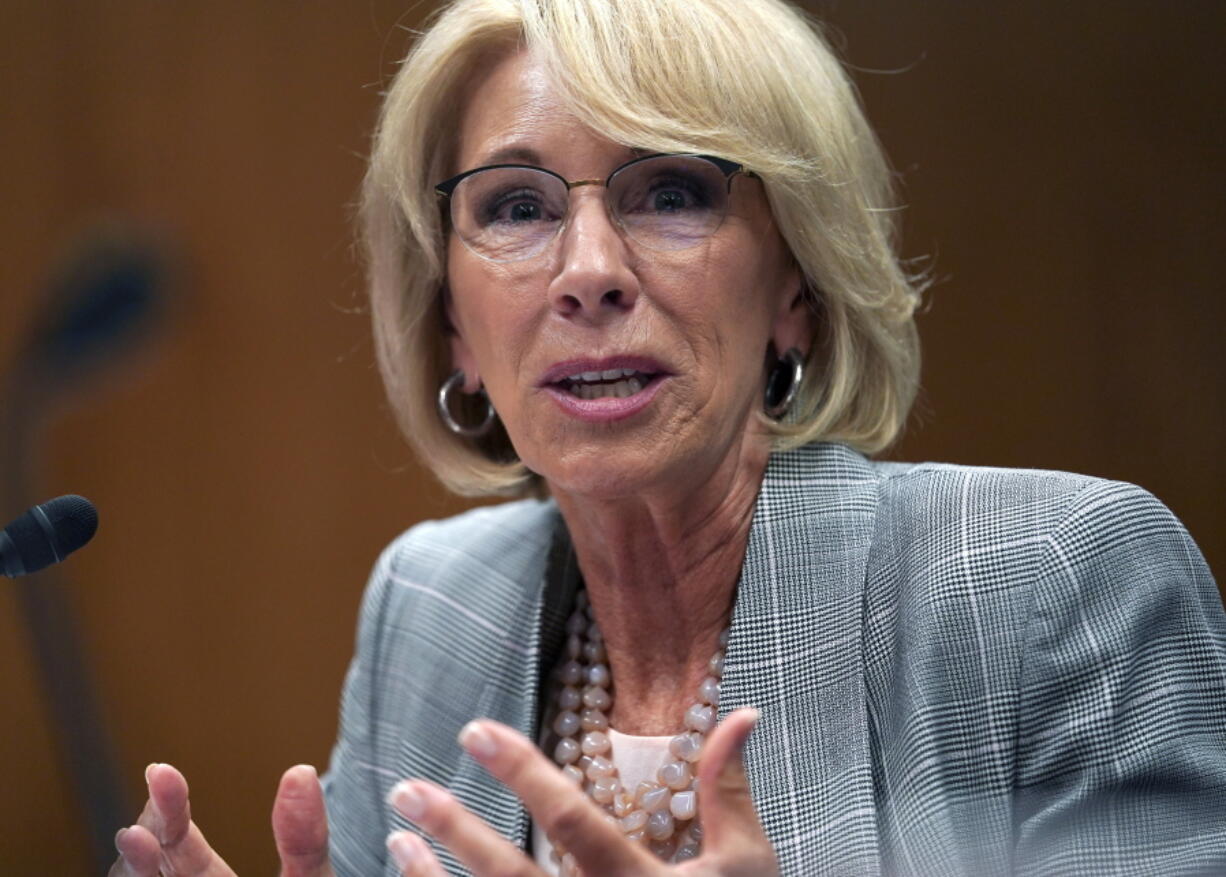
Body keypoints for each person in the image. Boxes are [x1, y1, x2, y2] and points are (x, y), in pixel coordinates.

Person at [110, 0, 1226, 874]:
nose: (588, 272)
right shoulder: (430, 608)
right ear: (451, 321)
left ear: (796, 284)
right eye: (514, 207)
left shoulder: (1050, 586)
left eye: (669, 192)